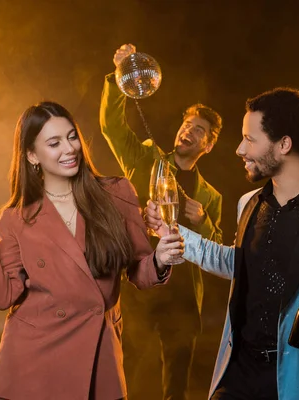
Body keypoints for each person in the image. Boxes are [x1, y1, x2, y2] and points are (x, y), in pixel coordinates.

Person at [145, 87, 299, 400]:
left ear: (284, 144)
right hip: (240, 374)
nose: (239, 150)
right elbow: (238, 264)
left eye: (250, 139)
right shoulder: (248, 203)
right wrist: (171, 231)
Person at [0, 101, 183, 400]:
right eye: (54, 143)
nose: (69, 149)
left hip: (100, 362)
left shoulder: (116, 193)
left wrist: (158, 259)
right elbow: (4, 295)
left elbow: (139, 270)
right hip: (31, 368)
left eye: (72, 136)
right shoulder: (16, 218)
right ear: (32, 156)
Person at [99, 43, 223, 399]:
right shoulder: (146, 158)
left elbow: (218, 252)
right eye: (187, 124)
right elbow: (112, 125)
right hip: (140, 281)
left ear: (209, 145)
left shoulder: (210, 197)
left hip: (183, 296)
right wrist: (119, 73)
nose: (189, 131)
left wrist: (200, 220)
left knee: (176, 383)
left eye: (199, 130)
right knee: (129, 367)